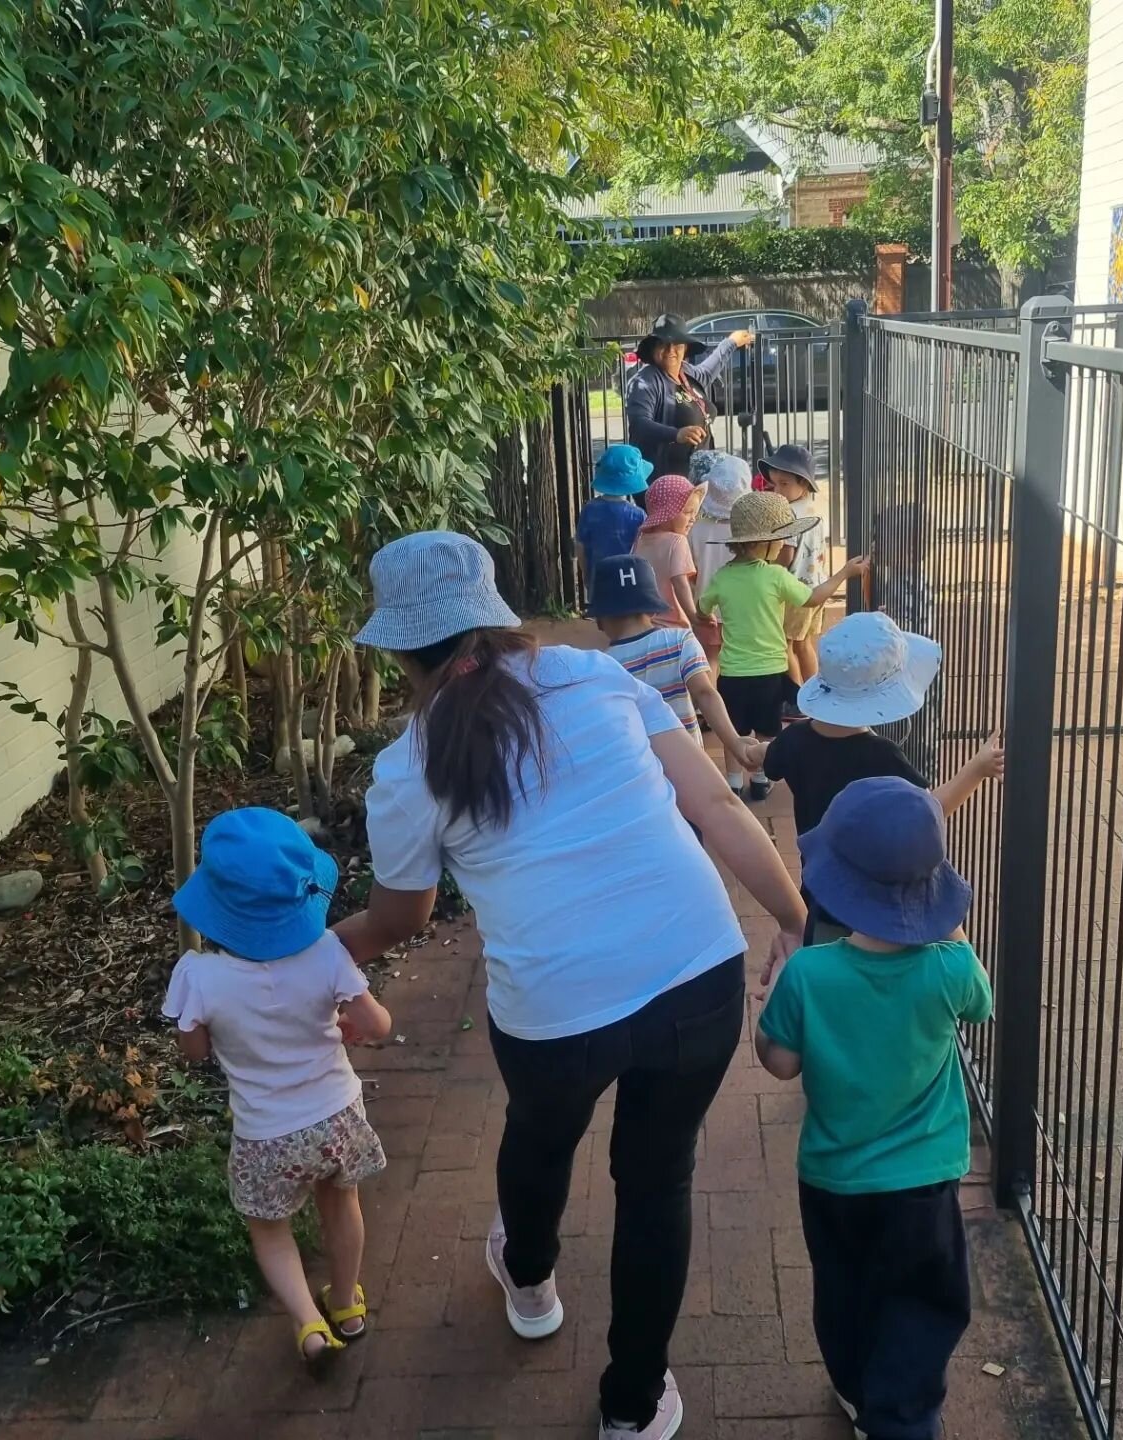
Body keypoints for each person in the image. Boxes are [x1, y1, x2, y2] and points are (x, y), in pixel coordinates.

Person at [334, 531, 808, 1440]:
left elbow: (399, 918)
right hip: (695, 969)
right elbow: (712, 803)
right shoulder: (597, 677)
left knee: (542, 1137)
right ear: (496, 610)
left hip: (554, 1013)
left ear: (401, 647)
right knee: (658, 1183)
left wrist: (310, 959)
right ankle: (633, 1408)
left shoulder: (407, 767)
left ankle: (531, 1275)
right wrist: (792, 920)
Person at [755, 777, 993, 1440]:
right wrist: (941, 917)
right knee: (923, 1300)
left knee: (844, 1288)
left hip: (834, 1177)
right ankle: (903, 1418)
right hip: (924, 1182)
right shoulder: (950, 968)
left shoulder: (808, 974)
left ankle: (859, 1389)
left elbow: (779, 1062)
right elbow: (981, 1001)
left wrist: (768, 999)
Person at [163, 808, 393, 1367]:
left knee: (269, 1230)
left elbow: (195, 1053)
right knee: (341, 1205)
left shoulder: (197, 974)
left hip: (267, 1135)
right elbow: (379, 1026)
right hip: (336, 1116)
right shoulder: (326, 954)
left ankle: (309, 1326)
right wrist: (346, 1026)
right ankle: (346, 1306)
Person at [743, 611, 1005, 945]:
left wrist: (751, 750)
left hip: (824, 892)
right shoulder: (882, 757)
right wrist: (977, 769)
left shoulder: (795, 739)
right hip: (879, 902)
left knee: (827, 970)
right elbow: (928, 811)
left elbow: (767, 758)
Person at [697, 491, 868, 801]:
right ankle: (761, 778)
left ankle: (734, 782)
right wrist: (845, 573)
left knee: (733, 732)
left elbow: (702, 607)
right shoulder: (775, 576)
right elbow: (814, 598)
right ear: (761, 543)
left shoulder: (722, 577)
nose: (782, 547)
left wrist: (707, 618)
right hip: (770, 671)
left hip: (733, 672)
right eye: (779, 541)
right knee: (767, 730)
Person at [588, 552, 750, 774]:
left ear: (599, 619)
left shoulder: (601, 666)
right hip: (689, 764)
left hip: (640, 773)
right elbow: (705, 693)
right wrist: (734, 741)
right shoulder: (680, 641)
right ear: (654, 607)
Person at [625, 313, 754, 471]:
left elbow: (707, 372)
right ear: (653, 348)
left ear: (685, 349)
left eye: (677, 345)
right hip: (664, 482)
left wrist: (731, 342)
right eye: (663, 344)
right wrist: (676, 434)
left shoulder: (685, 372)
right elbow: (639, 424)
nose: (670, 350)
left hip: (695, 477)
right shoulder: (645, 381)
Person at [760, 443, 829, 696]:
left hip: (793, 591)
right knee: (804, 643)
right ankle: (816, 692)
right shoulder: (813, 508)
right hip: (816, 586)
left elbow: (786, 555)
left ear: (804, 482)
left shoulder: (787, 513)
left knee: (784, 645)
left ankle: (797, 696)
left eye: (784, 484)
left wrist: (766, 569)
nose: (777, 489)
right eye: (774, 483)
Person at [688, 452, 753, 664]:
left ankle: (710, 696)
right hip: (742, 606)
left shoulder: (695, 529)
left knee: (709, 659)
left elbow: (691, 573)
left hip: (707, 608)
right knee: (741, 659)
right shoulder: (751, 531)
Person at [575, 444, 652, 593]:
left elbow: (580, 546)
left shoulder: (590, 510)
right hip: (629, 578)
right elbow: (644, 550)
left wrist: (586, 574)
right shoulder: (638, 515)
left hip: (598, 576)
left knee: (602, 614)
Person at [635, 473, 704, 631]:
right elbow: (680, 584)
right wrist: (693, 615)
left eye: (695, 513)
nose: (693, 518)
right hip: (673, 624)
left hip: (645, 622)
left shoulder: (641, 538)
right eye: (687, 512)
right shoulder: (677, 541)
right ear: (667, 513)